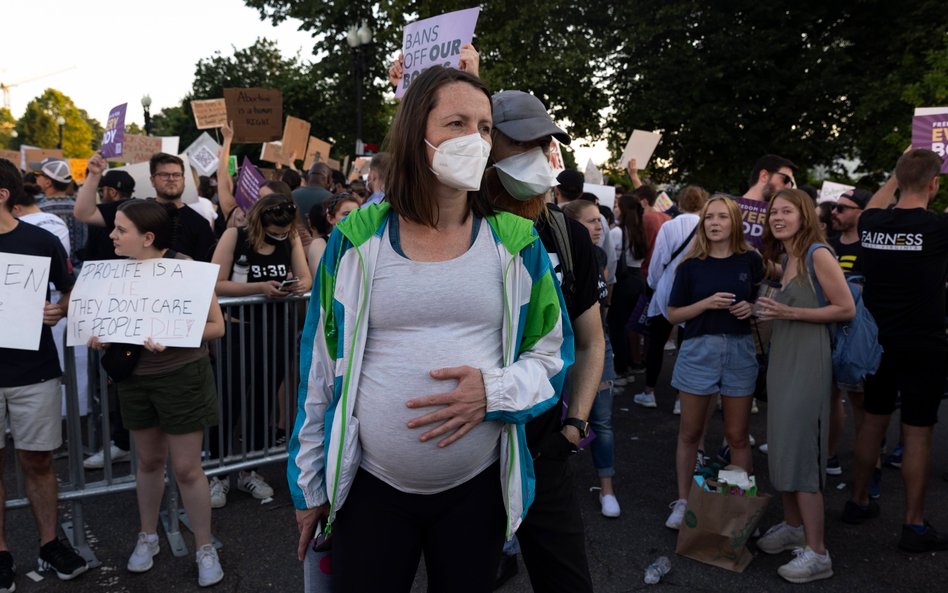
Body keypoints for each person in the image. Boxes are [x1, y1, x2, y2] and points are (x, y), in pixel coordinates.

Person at [288, 66, 571, 593]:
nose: (475, 140)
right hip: (371, 489)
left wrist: (492, 392)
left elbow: (551, 359)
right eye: (457, 123)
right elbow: (319, 372)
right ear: (417, 134)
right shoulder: (355, 242)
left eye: (485, 128)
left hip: (476, 489)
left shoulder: (517, 244)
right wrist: (308, 486)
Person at [484, 89, 601, 592]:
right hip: (471, 451)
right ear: (487, 147)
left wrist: (574, 425)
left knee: (567, 580)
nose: (538, 157)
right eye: (522, 143)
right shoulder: (455, 231)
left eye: (545, 143)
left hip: (544, 445)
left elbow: (592, 341)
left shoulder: (568, 237)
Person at [86, 199, 226, 587]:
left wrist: (175, 333)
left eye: (120, 229)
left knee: (185, 468)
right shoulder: (111, 273)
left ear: (147, 237)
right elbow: (108, 323)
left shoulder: (186, 269)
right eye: (114, 228)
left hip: (182, 376)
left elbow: (217, 326)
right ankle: (147, 536)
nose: (112, 235)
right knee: (147, 462)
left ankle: (204, 547)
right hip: (134, 379)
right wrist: (101, 339)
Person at [845, 148, 948, 552]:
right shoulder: (939, 228)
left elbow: (871, 204)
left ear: (898, 182)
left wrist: (896, 172)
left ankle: (858, 501)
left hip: (876, 342)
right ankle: (914, 523)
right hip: (924, 343)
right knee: (918, 432)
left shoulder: (872, 222)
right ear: (934, 185)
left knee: (872, 421)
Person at [755, 188, 854, 583]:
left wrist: (790, 310)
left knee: (802, 451)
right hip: (784, 363)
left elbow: (845, 307)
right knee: (782, 445)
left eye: (787, 211)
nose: (778, 217)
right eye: (773, 212)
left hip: (808, 365)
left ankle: (818, 552)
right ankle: (794, 528)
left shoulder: (817, 254)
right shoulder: (788, 256)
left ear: (805, 215)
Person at [0, 157, 89, 591]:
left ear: (2, 196)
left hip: (32, 372)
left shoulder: (38, 241)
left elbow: (72, 287)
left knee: (38, 460)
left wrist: (62, 307)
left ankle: (51, 542)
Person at [663, 196, 763, 529]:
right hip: (698, 350)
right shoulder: (691, 265)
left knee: (737, 435)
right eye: (709, 217)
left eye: (722, 217)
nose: (714, 223)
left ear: (735, 222)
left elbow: (760, 299)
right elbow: (673, 314)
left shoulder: (750, 260)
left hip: (739, 351)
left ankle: (738, 510)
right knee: (690, 433)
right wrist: (706, 303)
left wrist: (751, 308)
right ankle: (683, 502)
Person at [209, 193, 311, 507]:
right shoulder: (234, 236)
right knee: (228, 400)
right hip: (238, 332)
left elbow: (306, 277)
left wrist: (297, 286)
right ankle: (218, 473)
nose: (279, 235)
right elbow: (215, 281)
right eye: (274, 231)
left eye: (284, 231)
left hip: (276, 332)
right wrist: (259, 289)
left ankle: (250, 471)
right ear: (259, 220)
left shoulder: (290, 236)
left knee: (263, 400)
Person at [561, 199, 619, 517]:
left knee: (602, 419)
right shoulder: (557, 254)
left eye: (600, 221)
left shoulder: (598, 255)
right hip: (562, 348)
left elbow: (603, 302)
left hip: (599, 345)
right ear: (570, 226)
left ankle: (607, 488)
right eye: (591, 221)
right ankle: (557, 485)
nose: (599, 227)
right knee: (559, 418)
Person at [632, 185, 707, 411]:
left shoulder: (670, 226)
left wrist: (653, 285)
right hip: (695, 293)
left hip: (667, 290)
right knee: (687, 346)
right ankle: (680, 399)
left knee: (656, 343)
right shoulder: (707, 227)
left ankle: (649, 392)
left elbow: (658, 261)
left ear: (681, 203)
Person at [74, 152, 217, 262]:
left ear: (184, 179)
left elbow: (205, 274)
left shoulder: (200, 224)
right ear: (152, 180)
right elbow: (84, 214)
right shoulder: (132, 210)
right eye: (164, 174)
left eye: (176, 175)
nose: (171, 179)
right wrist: (94, 174)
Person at [609, 193, 648, 380]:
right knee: (629, 325)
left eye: (617, 205)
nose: (615, 207)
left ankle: (621, 370)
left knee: (616, 325)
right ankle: (632, 364)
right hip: (638, 278)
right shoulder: (639, 230)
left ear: (623, 209)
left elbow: (611, 260)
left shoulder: (617, 232)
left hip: (623, 281)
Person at [30, 157, 86, 268]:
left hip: (51, 272)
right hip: (79, 271)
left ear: (48, 182)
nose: (35, 178)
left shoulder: (37, 209)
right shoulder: (80, 208)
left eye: (38, 174)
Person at [307, 193, 359, 276]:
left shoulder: (363, 242)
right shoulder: (319, 243)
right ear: (330, 218)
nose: (353, 218)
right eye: (346, 214)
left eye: (357, 214)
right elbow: (322, 279)